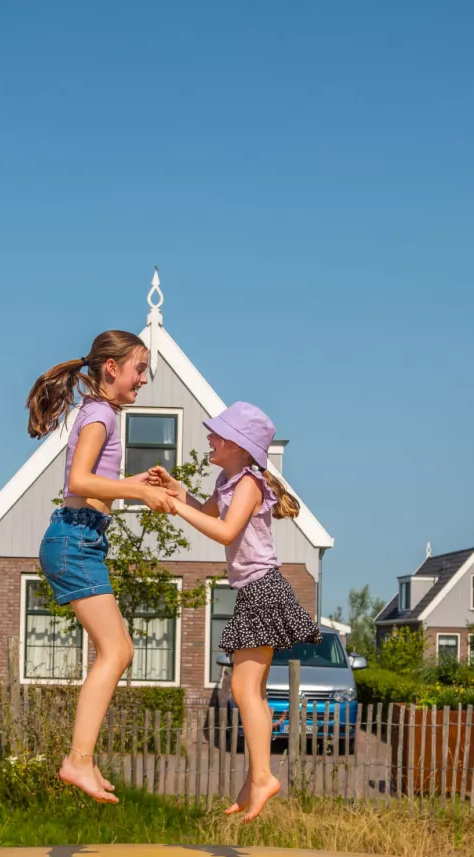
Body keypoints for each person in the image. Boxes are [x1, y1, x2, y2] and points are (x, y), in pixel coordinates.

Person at [147, 401, 315, 821]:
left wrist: (176, 507)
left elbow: (223, 531)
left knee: (243, 689)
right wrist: (178, 491)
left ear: (239, 446)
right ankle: (254, 779)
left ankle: (263, 777)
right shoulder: (227, 481)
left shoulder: (249, 484)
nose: (209, 437)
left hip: (263, 589)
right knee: (252, 692)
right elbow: (206, 512)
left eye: (217, 434)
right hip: (252, 591)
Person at [26, 331, 172, 803]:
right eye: (139, 369)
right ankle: (78, 761)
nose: (143, 379)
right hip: (75, 540)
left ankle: (82, 760)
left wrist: (134, 481)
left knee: (119, 650)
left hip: (82, 538)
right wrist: (138, 491)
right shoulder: (100, 414)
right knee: (117, 651)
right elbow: (79, 480)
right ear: (113, 368)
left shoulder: (99, 412)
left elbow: (95, 482)